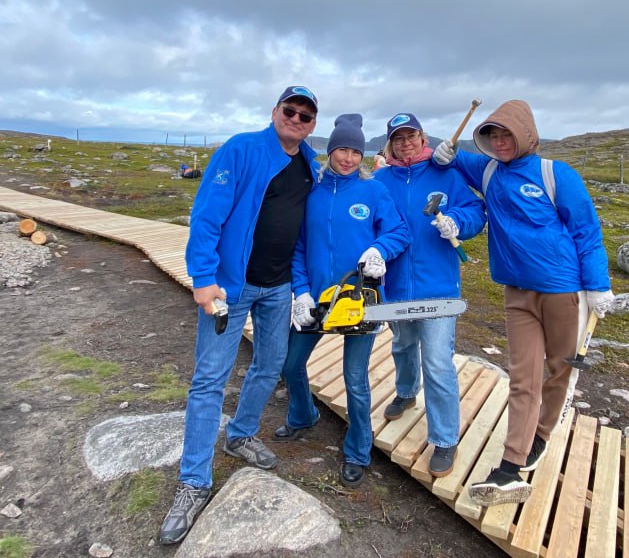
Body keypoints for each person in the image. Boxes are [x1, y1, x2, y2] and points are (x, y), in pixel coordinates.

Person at [159, 85, 321, 546]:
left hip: (279, 287)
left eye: (305, 116)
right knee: (210, 378)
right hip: (231, 286)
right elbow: (207, 216)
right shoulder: (241, 149)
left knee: (271, 364)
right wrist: (203, 277)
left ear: (312, 125)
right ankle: (193, 482)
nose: (296, 119)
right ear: (275, 112)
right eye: (290, 110)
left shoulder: (309, 163)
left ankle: (241, 434)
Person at [432, 100, 613, 506]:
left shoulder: (555, 174)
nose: (500, 142)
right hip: (516, 291)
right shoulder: (490, 169)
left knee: (560, 369)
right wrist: (441, 153)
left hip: (564, 291)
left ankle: (543, 434)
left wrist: (598, 286)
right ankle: (511, 467)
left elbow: (586, 230)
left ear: (525, 134)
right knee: (523, 375)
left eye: (507, 134)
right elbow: (453, 160)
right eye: (493, 135)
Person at [278, 114, 410, 488]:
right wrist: (300, 291)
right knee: (290, 365)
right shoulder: (313, 192)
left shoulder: (373, 191)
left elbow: (398, 230)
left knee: (355, 379)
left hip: (360, 300)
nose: (348, 158)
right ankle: (303, 416)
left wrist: (379, 248)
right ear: (331, 151)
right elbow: (300, 246)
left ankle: (357, 451)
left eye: (355, 151)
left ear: (362, 154)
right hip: (317, 298)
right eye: (342, 150)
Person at [372, 112, 485, 477]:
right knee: (403, 346)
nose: (405, 143)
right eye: (398, 138)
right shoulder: (379, 179)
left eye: (411, 136)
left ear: (423, 138)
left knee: (437, 361)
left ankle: (445, 438)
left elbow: (475, 212)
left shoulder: (446, 174)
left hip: (437, 286)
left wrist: (459, 223)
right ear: (389, 144)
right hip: (394, 286)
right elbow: (366, 220)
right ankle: (406, 391)